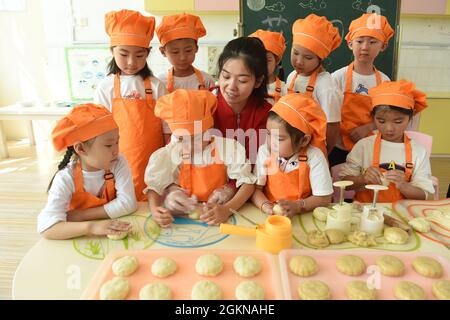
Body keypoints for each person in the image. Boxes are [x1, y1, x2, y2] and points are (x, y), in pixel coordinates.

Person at [144, 89, 256, 228]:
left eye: (195, 138)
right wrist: (157, 208)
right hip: (181, 220)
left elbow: (248, 184)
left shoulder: (227, 147)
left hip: (217, 218)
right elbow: (154, 186)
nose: (187, 146)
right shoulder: (171, 150)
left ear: (209, 130)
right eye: (180, 139)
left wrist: (227, 209)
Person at [94, 9, 166, 200]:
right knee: (124, 197)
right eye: (124, 54)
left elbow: (167, 128)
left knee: (153, 195)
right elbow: (99, 129)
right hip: (118, 158)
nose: (131, 62)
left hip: (153, 159)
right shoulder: (106, 86)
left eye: (139, 55)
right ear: (112, 51)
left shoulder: (157, 86)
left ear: (148, 53)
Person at [37, 104, 136, 239]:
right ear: (81, 149)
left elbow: (128, 204)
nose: (116, 150)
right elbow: (47, 227)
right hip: (77, 236)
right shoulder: (66, 178)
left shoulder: (118, 162)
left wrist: (81, 215)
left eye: (117, 142)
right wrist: (91, 227)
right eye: (108, 145)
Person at [340, 80, 435, 202]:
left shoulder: (418, 152)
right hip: (364, 212)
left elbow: (424, 195)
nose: (389, 128)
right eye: (381, 121)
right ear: (373, 118)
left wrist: (404, 185)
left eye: (398, 121)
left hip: (401, 214)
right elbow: (344, 184)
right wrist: (363, 178)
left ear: (410, 118)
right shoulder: (364, 146)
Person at [252, 94, 333, 217]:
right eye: (268, 134)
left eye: (279, 138)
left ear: (304, 140)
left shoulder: (314, 157)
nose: (270, 142)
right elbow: (256, 190)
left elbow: (324, 197)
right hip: (271, 216)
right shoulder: (265, 151)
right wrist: (265, 205)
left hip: (304, 215)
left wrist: (298, 206)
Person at [330, 13, 394, 166]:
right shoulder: (338, 77)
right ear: (350, 44)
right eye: (359, 41)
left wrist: (367, 127)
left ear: (383, 46)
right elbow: (327, 112)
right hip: (338, 147)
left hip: (369, 147)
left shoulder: (384, 81)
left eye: (372, 42)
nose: (365, 47)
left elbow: (387, 116)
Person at [286, 14, 342, 154]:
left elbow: (333, 126)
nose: (299, 61)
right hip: (291, 148)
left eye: (308, 57)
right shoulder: (292, 76)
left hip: (313, 150)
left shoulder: (326, 86)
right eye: (295, 52)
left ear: (320, 59)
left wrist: (323, 153)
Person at [213, 36, 272, 163]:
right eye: (226, 76)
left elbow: (260, 163)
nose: (232, 86)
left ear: (258, 81)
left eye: (242, 80)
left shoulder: (268, 114)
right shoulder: (203, 106)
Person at [155, 13, 215, 93]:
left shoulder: (206, 80)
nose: (182, 57)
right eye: (175, 52)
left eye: (188, 50)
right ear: (163, 52)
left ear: (196, 48)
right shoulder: (160, 81)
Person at [249, 29, 287, 104]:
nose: (261, 64)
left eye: (267, 60)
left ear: (277, 61)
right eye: (257, 59)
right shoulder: (246, 86)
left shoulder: (285, 90)